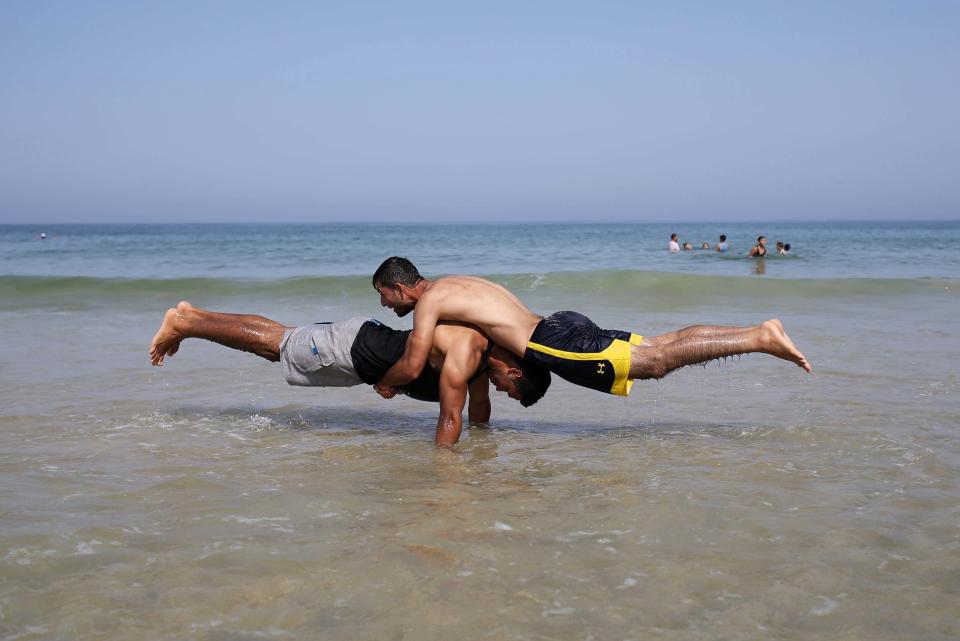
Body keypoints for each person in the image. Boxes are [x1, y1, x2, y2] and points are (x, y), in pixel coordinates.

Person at [371, 257, 811, 400]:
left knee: (656, 362)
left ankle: (757, 338)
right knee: (659, 345)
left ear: (399, 288)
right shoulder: (458, 284)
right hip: (561, 323)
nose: (383, 305)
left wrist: (385, 385)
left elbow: (412, 363)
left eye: (383, 296)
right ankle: (758, 334)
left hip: (551, 342)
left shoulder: (431, 301)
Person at [148, 301, 551, 447]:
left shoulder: (481, 358)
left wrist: (483, 449)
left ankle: (194, 317)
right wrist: (446, 478)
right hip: (356, 349)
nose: (502, 391)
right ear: (514, 371)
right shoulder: (470, 354)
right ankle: (187, 324)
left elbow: (477, 413)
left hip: (362, 346)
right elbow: (451, 417)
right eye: (510, 390)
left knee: (281, 339)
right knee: (277, 345)